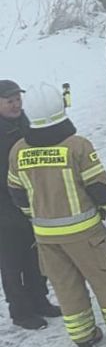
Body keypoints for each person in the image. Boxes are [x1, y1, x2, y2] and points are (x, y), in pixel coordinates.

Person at [7, 84, 106, 347]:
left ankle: (83, 335)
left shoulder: (18, 150)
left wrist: (36, 217)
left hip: (45, 236)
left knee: (66, 285)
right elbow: (99, 187)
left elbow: (16, 192)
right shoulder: (76, 146)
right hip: (85, 233)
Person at [0, 81, 60, 331]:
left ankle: (40, 299)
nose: (16, 105)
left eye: (17, 99)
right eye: (9, 101)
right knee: (12, 262)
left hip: (32, 201)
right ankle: (21, 311)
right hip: (4, 207)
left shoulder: (27, 122)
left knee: (36, 254)